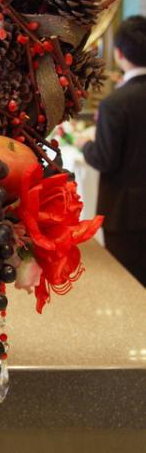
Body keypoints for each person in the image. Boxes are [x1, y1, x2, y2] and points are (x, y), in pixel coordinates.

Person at [82, 15, 146, 286]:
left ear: (119, 54)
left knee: (130, 284)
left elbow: (104, 159)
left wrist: (86, 146)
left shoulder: (115, 103)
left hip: (125, 211)